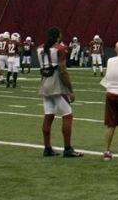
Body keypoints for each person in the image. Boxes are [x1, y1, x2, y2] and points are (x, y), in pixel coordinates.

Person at [37, 26, 82, 157]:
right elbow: (62, 70)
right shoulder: (60, 49)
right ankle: (67, 148)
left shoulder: (40, 48)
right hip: (56, 82)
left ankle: (47, 148)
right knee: (67, 114)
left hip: (44, 81)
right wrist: (70, 89)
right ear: (58, 36)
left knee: (48, 114)